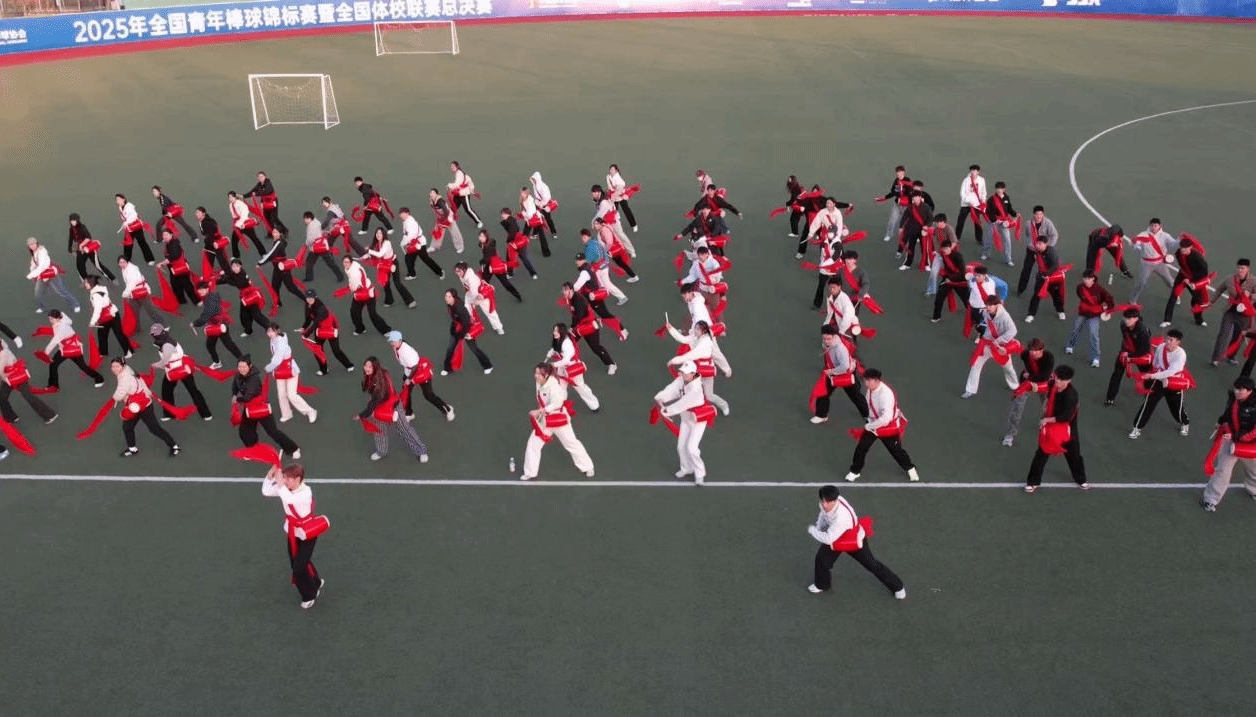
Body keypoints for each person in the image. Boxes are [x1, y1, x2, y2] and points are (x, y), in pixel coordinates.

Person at [806, 484, 906, 599]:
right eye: (823, 501)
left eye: (828, 502)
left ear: (835, 500)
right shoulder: (826, 503)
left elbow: (828, 539)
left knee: (871, 564)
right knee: (821, 559)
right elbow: (823, 515)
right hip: (835, 535)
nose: (824, 504)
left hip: (852, 539)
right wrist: (818, 527)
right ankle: (822, 585)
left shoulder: (841, 518)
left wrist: (813, 530)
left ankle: (898, 587)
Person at [260, 463, 325, 609]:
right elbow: (266, 491)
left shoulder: (306, 492)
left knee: (299, 567)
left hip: (308, 532)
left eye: (288, 478)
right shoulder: (286, 488)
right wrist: (271, 475)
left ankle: (310, 594)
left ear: (298, 479)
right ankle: (316, 582)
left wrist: (280, 483)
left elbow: (290, 500)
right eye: (284, 477)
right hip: (292, 532)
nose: (285, 480)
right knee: (298, 561)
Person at [520, 362, 595, 481]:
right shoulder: (539, 383)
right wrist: (542, 412)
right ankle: (530, 472)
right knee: (533, 444)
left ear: (546, 375)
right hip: (544, 420)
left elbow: (557, 403)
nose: (536, 376)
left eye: (539, 374)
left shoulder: (554, 387)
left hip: (559, 420)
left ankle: (587, 467)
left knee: (571, 443)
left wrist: (539, 411)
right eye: (536, 373)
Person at [844, 368, 919, 483]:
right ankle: (855, 471)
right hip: (875, 423)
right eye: (866, 380)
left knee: (896, 450)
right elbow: (870, 406)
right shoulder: (870, 390)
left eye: (870, 380)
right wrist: (870, 420)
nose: (866, 383)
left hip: (887, 427)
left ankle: (910, 468)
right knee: (861, 448)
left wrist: (870, 426)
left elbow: (886, 419)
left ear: (877, 381)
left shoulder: (885, 394)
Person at [1023, 365, 1088, 492]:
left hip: (1067, 428)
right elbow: (1045, 385)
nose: (1058, 382)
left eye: (1061, 380)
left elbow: (1064, 417)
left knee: (1074, 455)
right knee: (1041, 453)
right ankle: (1033, 482)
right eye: (1057, 378)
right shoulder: (1053, 383)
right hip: (1051, 425)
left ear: (1069, 380)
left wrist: (1045, 420)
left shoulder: (1071, 396)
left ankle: (1081, 479)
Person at [358, 355, 429, 463]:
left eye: (370, 366)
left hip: (393, 407)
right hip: (380, 407)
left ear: (375, 367)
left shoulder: (380, 380)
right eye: (366, 365)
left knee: (404, 429)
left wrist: (363, 414)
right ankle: (381, 451)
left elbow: (379, 398)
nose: (366, 368)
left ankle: (421, 451)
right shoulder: (375, 375)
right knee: (379, 430)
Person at [1200, 377, 1256, 512]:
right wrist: (1220, 422)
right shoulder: (1234, 399)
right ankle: (1210, 499)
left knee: (1254, 470)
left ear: (1250, 391)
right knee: (1223, 471)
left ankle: (1253, 490)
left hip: (1250, 444)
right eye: (1236, 388)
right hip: (1232, 440)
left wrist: (1236, 437)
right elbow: (1228, 413)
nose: (1237, 391)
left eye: (1241, 389)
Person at [653, 360, 712, 485]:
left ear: (693, 373)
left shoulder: (696, 388)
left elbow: (683, 403)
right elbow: (672, 389)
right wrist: (660, 397)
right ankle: (686, 468)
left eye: (686, 373)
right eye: (683, 372)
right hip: (686, 418)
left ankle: (700, 473)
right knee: (681, 446)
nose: (683, 375)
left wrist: (667, 410)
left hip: (698, 420)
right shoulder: (682, 380)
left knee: (692, 448)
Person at [231, 355, 300, 457]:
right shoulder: (238, 376)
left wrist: (237, 399)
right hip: (249, 409)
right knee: (245, 431)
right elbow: (235, 386)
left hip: (260, 408)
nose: (242, 369)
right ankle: (253, 449)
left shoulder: (254, 380)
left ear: (250, 366)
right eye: (240, 367)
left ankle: (294, 449)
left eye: (244, 366)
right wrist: (234, 394)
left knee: (273, 432)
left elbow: (247, 397)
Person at [109, 357, 179, 457]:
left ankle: (174, 446)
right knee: (127, 427)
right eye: (113, 366)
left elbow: (118, 395)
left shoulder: (125, 378)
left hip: (144, 406)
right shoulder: (128, 370)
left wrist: (114, 397)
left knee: (154, 428)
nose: (115, 369)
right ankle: (132, 449)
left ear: (123, 366)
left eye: (117, 366)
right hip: (136, 406)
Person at [1130, 328, 1191, 439]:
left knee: (1176, 408)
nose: (1168, 342)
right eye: (1167, 339)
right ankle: (1137, 428)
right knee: (1148, 404)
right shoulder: (1161, 347)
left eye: (1171, 340)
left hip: (1173, 383)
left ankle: (1185, 423)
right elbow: (1155, 363)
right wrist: (1154, 374)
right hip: (1159, 381)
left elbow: (1171, 372)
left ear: (1178, 342)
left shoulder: (1181, 354)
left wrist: (1152, 376)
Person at [665, 319, 731, 416]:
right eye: (695, 328)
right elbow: (683, 339)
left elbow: (690, 355)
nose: (695, 330)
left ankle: (724, 405)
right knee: (688, 387)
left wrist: (674, 361)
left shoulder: (705, 344)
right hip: (696, 368)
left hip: (706, 370)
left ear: (703, 331)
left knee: (709, 395)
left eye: (698, 329)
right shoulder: (695, 337)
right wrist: (671, 329)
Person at [385, 330, 452, 421]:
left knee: (429, 396)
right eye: (391, 341)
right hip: (409, 372)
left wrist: (409, 379)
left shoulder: (405, 351)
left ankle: (447, 409)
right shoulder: (397, 347)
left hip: (421, 374)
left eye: (393, 341)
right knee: (406, 392)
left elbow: (415, 367)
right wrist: (407, 378)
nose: (391, 343)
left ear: (399, 340)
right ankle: (409, 413)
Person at [149, 324, 212, 420]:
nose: (154, 336)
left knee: (167, 391)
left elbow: (165, 360)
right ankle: (206, 414)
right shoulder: (166, 339)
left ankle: (169, 414)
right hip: (183, 367)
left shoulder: (166, 344)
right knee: (193, 390)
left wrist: (156, 365)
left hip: (175, 369)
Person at [963, 296, 1021, 398]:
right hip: (988, 343)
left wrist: (998, 341)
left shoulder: (1005, 316)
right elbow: (988, 328)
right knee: (976, 364)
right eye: (987, 305)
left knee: (1008, 368)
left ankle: (1015, 386)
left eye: (991, 305)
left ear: (997, 305)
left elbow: (1013, 331)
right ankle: (970, 390)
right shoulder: (986, 313)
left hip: (1001, 347)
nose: (988, 308)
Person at [1002, 338, 1055, 447]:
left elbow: (1044, 376)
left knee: (1050, 405)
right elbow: (1018, 350)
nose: (1033, 353)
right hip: (1028, 382)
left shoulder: (1049, 358)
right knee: (1017, 407)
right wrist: (1005, 350)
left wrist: (1030, 377)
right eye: (1031, 350)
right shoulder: (1026, 355)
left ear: (1042, 350)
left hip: (1042, 384)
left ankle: (1047, 425)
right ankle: (1010, 435)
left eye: (1036, 351)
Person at [810, 324, 868, 424]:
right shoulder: (829, 344)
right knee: (823, 392)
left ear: (834, 337)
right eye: (824, 338)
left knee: (856, 396)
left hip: (845, 373)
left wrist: (831, 371)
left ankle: (868, 415)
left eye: (828, 339)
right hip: (834, 371)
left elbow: (845, 366)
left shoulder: (840, 349)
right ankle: (821, 415)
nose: (826, 341)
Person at [264, 324, 317, 424]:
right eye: (268, 331)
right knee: (281, 394)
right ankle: (287, 414)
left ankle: (310, 411)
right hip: (280, 370)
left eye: (272, 331)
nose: (270, 334)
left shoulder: (280, 342)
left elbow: (277, 360)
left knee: (291, 395)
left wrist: (268, 368)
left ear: (277, 331)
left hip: (290, 369)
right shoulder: (276, 339)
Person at [560, 282, 616, 374]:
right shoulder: (571, 299)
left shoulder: (578, 300)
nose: (563, 292)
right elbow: (574, 315)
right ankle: (567, 362)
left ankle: (611, 364)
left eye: (565, 290)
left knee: (596, 348)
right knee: (569, 342)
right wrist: (572, 327)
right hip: (580, 325)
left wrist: (572, 327)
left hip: (589, 326)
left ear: (571, 290)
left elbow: (579, 316)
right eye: (563, 290)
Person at [1064, 270, 1115, 368]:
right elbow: (1080, 296)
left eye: (1088, 278)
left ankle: (1096, 358)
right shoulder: (1080, 287)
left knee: (1094, 335)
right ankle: (1070, 346)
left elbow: (1110, 300)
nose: (1086, 281)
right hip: (1083, 312)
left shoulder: (1100, 290)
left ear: (1093, 279)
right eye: (1085, 278)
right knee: (1075, 329)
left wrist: (1108, 310)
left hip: (1094, 315)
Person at [0, 338, 57, 424]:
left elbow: (1, 372)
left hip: (14, 378)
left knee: (28, 396)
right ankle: (10, 417)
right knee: (2, 397)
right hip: (13, 376)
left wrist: (5, 378)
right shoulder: (4, 348)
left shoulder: (2, 356)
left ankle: (50, 415)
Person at [44, 310, 105, 390]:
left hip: (73, 349)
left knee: (83, 366)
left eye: (52, 319)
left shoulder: (63, 328)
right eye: (49, 319)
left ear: (58, 318)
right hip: (65, 348)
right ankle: (53, 385)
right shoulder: (60, 322)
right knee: (53, 364)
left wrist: (45, 353)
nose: (50, 321)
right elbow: (64, 319)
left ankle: (100, 379)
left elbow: (54, 341)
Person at [1210, 258, 1256, 366]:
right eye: (1238, 268)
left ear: (1248, 269)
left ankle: (1230, 356)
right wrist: (1211, 301)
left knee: (1238, 337)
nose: (1240, 270)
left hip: (1245, 314)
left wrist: (1251, 295)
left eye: (1242, 268)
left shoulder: (1254, 281)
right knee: (1223, 334)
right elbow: (1219, 289)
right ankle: (1216, 358)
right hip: (1230, 311)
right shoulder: (1229, 279)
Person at [1105, 307, 1153, 406]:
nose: (1126, 321)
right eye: (1125, 318)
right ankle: (1110, 398)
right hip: (1126, 352)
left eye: (1129, 319)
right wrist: (1125, 352)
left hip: (1140, 354)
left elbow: (1144, 350)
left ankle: (1149, 396)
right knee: (1116, 375)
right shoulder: (1123, 325)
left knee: (1147, 375)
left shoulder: (1143, 332)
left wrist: (1130, 355)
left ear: (1136, 319)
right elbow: (1126, 339)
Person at [545, 322, 598, 411]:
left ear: (562, 332)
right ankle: (559, 405)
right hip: (562, 367)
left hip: (572, 367)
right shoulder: (559, 340)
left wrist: (554, 364)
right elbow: (555, 348)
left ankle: (594, 405)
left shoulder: (567, 343)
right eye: (554, 330)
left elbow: (566, 360)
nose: (555, 333)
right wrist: (550, 353)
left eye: (557, 331)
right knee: (561, 387)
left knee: (580, 387)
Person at [300, 289, 354, 376]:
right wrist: (304, 327)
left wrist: (306, 334)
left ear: (315, 297)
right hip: (319, 330)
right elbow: (308, 318)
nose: (309, 299)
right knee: (318, 350)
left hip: (330, 329)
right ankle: (323, 369)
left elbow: (315, 323)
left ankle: (349, 365)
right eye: (307, 298)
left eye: (311, 298)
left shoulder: (321, 308)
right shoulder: (307, 305)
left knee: (336, 351)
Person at [190, 280, 241, 368]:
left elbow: (205, 316)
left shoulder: (209, 300)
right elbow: (206, 313)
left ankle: (240, 360)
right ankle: (239, 359)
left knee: (226, 344)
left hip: (218, 325)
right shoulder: (211, 296)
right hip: (218, 323)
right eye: (199, 290)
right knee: (220, 344)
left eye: (202, 289)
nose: (200, 291)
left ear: (207, 289)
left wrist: (195, 323)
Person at [442, 288, 493, 375]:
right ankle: (447, 368)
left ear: (454, 297)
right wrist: (454, 330)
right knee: (450, 349)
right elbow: (455, 319)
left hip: (466, 330)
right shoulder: (450, 304)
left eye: (449, 297)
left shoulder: (460, 309)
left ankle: (488, 366)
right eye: (446, 296)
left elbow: (466, 323)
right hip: (456, 329)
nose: (447, 298)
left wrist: (462, 335)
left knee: (474, 349)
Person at [1163, 235, 1210, 327]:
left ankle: (1199, 320)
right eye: (1181, 248)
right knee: (1173, 296)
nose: (1183, 250)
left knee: (1197, 299)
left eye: (1185, 249)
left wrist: (1191, 279)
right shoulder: (1178, 253)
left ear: (1190, 247)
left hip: (1194, 279)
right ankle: (1167, 320)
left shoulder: (1198, 257)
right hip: (1182, 276)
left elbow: (1204, 272)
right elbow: (1183, 266)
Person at [1129, 218, 1178, 303]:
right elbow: (1135, 243)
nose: (1153, 228)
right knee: (1141, 282)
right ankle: (1132, 300)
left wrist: (1180, 241)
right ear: (1149, 226)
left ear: (1160, 226)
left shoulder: (1165, 236)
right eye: (1151, 226)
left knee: (1170, 282)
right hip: (1146, 264)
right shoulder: (1143, 235)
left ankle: (1175, 296)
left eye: (1155, 226)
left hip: (1160, 264)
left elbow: (1173, 244)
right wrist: (1135, 244)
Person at [217, 259, 270, 337]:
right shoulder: (234, 274)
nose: (235, 268)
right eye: (233, 266)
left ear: (240, 266)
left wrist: (223, 276)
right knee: (244, 315)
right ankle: (248, 330)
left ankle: (270, 328)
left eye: (237, 266)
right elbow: (228, 279)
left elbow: (235, 283)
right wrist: (215, 282)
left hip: (251, 296)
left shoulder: (242, 275)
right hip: (244, 297)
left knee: (256, 315)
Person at [363, 227, 415, 308]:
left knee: (397, 283)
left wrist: (369, 251)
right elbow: (375, 254)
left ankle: (410, 300)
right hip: (384, 265)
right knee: (386, 283)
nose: (378, 235)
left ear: (384, 234)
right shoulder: (377, 243)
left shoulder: (387, 243)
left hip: (393, 264)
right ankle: (389, 300)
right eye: (377, 233)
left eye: (380, 233)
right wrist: (367, 255)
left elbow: (380, 254)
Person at [26, 237, 80, 314]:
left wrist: (31, 275)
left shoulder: (42, 251)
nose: (32, 246)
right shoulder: (34, 253)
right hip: (42, 276)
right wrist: (32, 271)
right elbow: (33, 265)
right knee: (38, 293)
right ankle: (42, 308)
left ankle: (76, 305)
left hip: (51, 275)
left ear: (36, 243)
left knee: (61, 291)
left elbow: (43, 265)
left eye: (33, 244)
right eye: (30, 245)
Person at [342, 255, 391, 336]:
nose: (345, 264)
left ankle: (386, 330)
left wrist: (350, 288)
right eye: (344, 262)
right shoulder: (351, 268)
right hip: (363, 292)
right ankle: (360, 329)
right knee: (354, 311)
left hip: (367, 293)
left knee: (372, 314)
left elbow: (355, 287)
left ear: (351, 262)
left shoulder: (354, 273)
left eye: (347, 262)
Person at [1022, 236, 1067, 322]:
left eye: (1040, 244)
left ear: (1045, 244)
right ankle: (1031, 314)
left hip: (1052, 278)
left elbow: (1055, 266)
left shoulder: (1051, 252)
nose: (1037, 245)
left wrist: (1047, 275)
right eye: (1037, 243)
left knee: (1056, 295)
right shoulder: (1036, 252)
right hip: (1042, 277)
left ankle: (1060, 311)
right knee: (1036, 295)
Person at [454, 262, 504, 335]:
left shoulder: (471, 279)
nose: (457, 273)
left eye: (459, 271)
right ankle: (471, 323)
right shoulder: (463, 275)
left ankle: (499, 327)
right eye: (456, 271)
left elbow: (474, 293)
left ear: (464, 270)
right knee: (468, 308)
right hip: (472, 294)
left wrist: (474, 303)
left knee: (490, 312)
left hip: (481, 295)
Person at [1017, 205, 1059, 291]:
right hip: (1032, 250)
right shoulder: (1028, 224)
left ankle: (1048, 289)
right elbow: (1027, 235)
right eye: (1037, 214)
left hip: (1043, 251)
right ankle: (1020, 289)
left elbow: (1054, 235)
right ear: (1033, 214)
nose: (1039, 216)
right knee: (1026, 270)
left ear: (1043, 214)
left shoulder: (1047, 223)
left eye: (1041, 214)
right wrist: (1030, 245)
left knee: (1047, 270)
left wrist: (1048, 247)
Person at [579, 229, 627, 306]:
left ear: (588, 236)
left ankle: (621, 297)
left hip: (600, 267)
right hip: (599, 267)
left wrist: (587, 261)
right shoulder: (592, 243)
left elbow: (597, 257)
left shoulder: (592, 245)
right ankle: (602, 299)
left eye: (584, 237)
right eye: (582, 237)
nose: (583, 239)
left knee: (606, 285)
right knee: (602, 285)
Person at [477, 229, 524, 302]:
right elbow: (493, 243)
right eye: (480, 236)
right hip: (489, 264)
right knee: (484, 281)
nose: (481, 238)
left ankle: (518, 296)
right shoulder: (483, 244)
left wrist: (481, 262)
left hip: (496, 265)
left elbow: (487, 257)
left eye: (483, 236)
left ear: (487, 237)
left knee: (505, 283)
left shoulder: (488, 246)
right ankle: (483, 296)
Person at [590, 184, 636, 258]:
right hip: (605, 222)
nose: (592, 194)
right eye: (592, 192)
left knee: (621, 235)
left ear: (599, 193)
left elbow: (600, 214)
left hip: (613, 221)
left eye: (594, 192)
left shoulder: (603, 202)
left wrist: (593, 222)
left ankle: (631, 251)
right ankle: (608, 251)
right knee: (602, 237)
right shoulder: (598, 200)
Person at [156, 228, 198, 308]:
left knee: (186, 285)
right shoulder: (170, 243)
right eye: (163, 235)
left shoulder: (174, 244)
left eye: (166, 235)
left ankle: (195, 301)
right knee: (176, 286)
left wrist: (162, 263)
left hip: (179, 269)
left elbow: (174, 255)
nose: (164, 237)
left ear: (171, 235)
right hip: (174, 270)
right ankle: (182, 301)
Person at [398, 207, 444, 280]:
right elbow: (407, 234)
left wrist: (404, 243)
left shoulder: (410, 222)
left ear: (407, 213)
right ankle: (412, 274)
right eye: (400, 214)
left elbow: (411, 235)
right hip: (414, 243)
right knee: (408, 259)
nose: (401, 215)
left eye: (403, 214)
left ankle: (440, 272)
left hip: (419, 244)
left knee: (425, 259)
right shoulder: (406, 221)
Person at [298, 211, 344, 283]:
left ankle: (309, 277)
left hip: (314, 247)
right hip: (322, 246)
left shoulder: (310, 227)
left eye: (305, 219)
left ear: (309, 218)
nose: (304, 220)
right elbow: (322, 231)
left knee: (309, 262)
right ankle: (340, 276)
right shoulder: (317, 222)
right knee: (330, 262)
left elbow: (310, 239)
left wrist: (307, 244)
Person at [68, 213, 114, 281]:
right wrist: (69, 248)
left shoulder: (82, 227)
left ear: (77, 220)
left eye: (74, 220)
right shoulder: (71, 229)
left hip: (89, 247)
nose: (73, 222)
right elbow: (71, 238)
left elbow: (88, 238)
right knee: (79, 267)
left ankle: (112, 279)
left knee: (98, 265)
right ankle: (86, 281)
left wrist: (81, 245)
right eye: (72, 221)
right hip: (81, 250)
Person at [930, 240, 968, 322]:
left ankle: (973, 317)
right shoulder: (943, 254)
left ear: (951, 248)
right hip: (948, 278)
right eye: (943, 249)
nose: (945, 251)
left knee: (966, 300)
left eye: (947, 249)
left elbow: (962, 272)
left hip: (959, 280)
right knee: (939, 298)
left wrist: (950, 278)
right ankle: (936, 317)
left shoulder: (958, 256)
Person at [896, 190, 933, 270]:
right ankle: (907, 264)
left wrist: (927, 225)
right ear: (913, 198)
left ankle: (926, 264)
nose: (916, 198)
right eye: (914, 197)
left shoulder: (926, 207)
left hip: (922, 231)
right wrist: (901, 227)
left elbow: (930, 218)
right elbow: (904, 217)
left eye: (917, 197)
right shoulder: (910, 208)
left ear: (920, 197)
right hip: (912, 230)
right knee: (910, 248)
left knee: (924, 248)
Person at [874, 165, 911, 244]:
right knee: (892, 220)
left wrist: (902, 193)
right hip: (897, 205)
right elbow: (893, 192)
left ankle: (910, 237)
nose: (898, 174)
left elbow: (910, 193)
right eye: (897, 172)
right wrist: (884, 198)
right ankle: (888, 235)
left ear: (903, 172)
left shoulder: (908, 181)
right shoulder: (896, 181)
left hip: (906, 206)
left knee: (907, 222)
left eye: (900, 172)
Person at [116, 193, 156, 265]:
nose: (118, 201)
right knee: (127, 245)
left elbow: (134, 216)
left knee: (142, 242)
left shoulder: (129, 206)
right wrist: (126, 223)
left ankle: (150, 259)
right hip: (129, 229)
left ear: (123, 199)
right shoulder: (121, 208)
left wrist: (127, 222)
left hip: (136, 227)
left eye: (119, 199)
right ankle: (127, 260)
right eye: (117, 200)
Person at [923, 215, 958, 296]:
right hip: (939, 253)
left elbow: (954, 242)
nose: (939, 224)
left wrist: (948, 250)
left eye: (941, 222)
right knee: (933, 272)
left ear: (945, 222)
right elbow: (931, 233)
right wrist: (926, 232)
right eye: (937, 222)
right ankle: (931, 290)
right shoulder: (936, 228)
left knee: (953, 273)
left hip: (950, 255)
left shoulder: (949, 229)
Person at [503, 206, 540, 277]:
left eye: (504, 214)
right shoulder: (506, 222)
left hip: (519, 242)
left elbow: (513, 231)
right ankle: (510, 273)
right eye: (502, 214)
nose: (502, 215)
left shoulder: (511, 222)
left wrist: (511, 242)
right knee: (509, 259)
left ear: (509, 214)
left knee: (524, 258)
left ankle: (533, 273)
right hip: (513, 242)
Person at [955, 164, 986, 248]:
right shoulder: (966, 180)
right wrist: (968, 201)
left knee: (977, 222)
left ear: (978, 172)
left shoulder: (981, 180)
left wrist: (983, 201)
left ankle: (979, 239)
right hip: (966, 204)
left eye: (975, 171)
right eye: (972, 170)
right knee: (961, 221)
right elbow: (962, 193)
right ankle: (956, 238)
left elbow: (983, 192)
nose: (973, 172)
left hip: (976, 205)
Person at [227, 191, 266, 256]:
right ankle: (236, 256)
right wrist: (236, 224)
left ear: (235, 197)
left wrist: (241, 223)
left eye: (231, 197)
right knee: (234, 241)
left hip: (245, 223)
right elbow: (234, 216)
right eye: (229, 197)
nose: (230, 199)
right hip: (237, 224)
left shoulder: (240, 204)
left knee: (254, 238)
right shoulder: (231, 205)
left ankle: (263, 253)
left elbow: (244, 213)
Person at [447, 161, 483, 228]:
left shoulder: (459, 174)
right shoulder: (458, 173)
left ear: (457, 167)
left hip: (464, 194)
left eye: (453, 166)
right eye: (451, 167)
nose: (452, 168)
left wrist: (449, 185)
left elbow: (457, 184)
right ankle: (450, 218)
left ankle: (479, 221)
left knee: (468, 209)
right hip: (459, 193)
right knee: (454, 206)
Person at [429, 188, 465, 254]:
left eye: (433, 193)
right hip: (441, 218)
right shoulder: (432, 201)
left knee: (454, 232)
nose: (431, 194)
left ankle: (460, 247)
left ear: (436, 194)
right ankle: (434, 246)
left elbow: (446, 212)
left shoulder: (440, 202)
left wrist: (444, 220)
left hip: (448, 218)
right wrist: (440, 219)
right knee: (437, 231)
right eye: (431, 193)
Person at [517, 189, 551, 259]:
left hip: (532, 219)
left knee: (526, 235)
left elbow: (530, 213)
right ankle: (546, 252)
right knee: (539, 235)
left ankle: (521, 249)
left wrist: (524, 216)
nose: (522, 194)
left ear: (527, 193)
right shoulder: (526, 200)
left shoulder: (529, 201)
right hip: (534, 219)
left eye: (523, 193)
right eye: (521, 193)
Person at [197, 207, 232, 274]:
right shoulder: (202, 222)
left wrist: (212, 243)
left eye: (198, 212)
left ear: (203, 214)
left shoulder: (207, 222)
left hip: (215, 241)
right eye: (196, 212)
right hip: (211, 242)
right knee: (211, 257)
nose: (196, 214)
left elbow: (211, 233)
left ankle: (228, 273)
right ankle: (211, 273)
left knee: (220, 258)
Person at [605, 164, 638, 233]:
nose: (611, 171)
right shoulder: (608, 177)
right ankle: (613, 226)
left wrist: (615, 196)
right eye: (610, 169)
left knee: (626, 210)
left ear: (616, 171)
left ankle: (634, 225)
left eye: (613, 169)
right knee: (613, 211)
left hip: (620, 195)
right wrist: (612, 193)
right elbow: (609, 186)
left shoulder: (619, 179)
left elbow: (620, 190)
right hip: (613, 194)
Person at [530, 171, 559, 237]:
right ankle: (535, 233)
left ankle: (554, 232)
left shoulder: (543, 187)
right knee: (536, 218)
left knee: (548, 219)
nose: (533, 180)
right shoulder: (535, 186)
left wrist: (542, 204)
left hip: (543, 205)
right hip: (537, 204)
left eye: (534, 179)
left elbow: (547, 197)